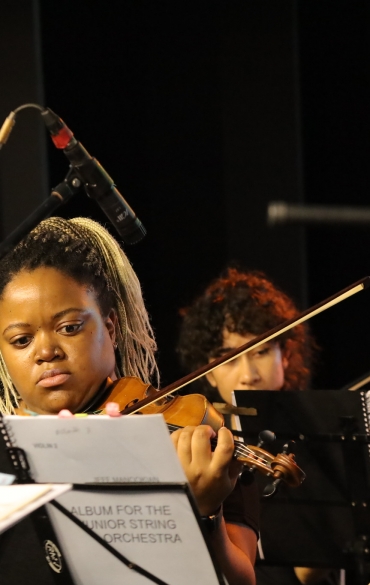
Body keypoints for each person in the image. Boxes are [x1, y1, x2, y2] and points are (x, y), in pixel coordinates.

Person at [0, 217, 257, 585]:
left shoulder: (195, 439)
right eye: (21, 340)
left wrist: (204, 511)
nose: (46, 351)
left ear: (112, 327)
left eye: (70, 327)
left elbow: (240, 580)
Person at [177, 268, 338, 585]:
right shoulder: (204, 448)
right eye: (230, 359)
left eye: (261, 352)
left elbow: (308, 574)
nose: (248, 373)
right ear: (209, 373)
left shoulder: (319, 439)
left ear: (286, 356)